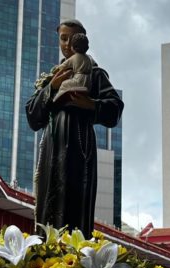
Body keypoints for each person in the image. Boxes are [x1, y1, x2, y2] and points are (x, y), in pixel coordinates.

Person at [25, 19, 124, 239]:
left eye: (72, 38)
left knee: (75, 202)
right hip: (51, 148)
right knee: (47, 201)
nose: (67, 43)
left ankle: (75, 256)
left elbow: (114, 108)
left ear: (83, 41)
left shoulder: (94, 73)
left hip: (80, 146)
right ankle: (45, 250)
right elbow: (32, 115)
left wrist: (90, 105)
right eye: (63, 38)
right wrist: (52, 88)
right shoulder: (52, 77)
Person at [53, 33, 92, 102]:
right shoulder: (88, 58)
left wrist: (56, 69)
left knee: (64, 84)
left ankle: (57, 99)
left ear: (73, 47)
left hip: (78, 80)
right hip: (88, 82)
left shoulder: (74, 57)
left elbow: (63, 66)